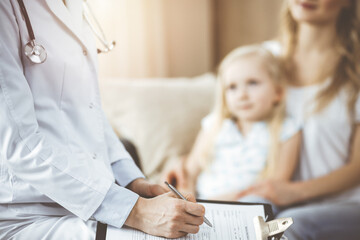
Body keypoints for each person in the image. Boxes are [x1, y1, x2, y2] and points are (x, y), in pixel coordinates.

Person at [0, 1, 205, 239]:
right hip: (28, 214)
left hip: (92, 203)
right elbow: (18, 145)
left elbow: (89, 110)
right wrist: (135, 210)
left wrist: (133, 182)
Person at [236, 0, 360, 239]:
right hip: (278, 195)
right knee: (244, 211)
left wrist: (294, 192)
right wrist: (186, 164)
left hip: (347, 204)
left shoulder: (355, 70)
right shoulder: (264, 58)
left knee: (289, 226)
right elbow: (224, 119)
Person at [164, 45, 302, 201]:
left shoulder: (287, 130)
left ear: (278, 92)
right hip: (202, 204)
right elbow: (189, 172)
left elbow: (277, 185)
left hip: (249, 203)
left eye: (252, 83)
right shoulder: (215, 125)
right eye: (232, 87)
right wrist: (188, 199)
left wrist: (226, 200)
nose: (242, 95)